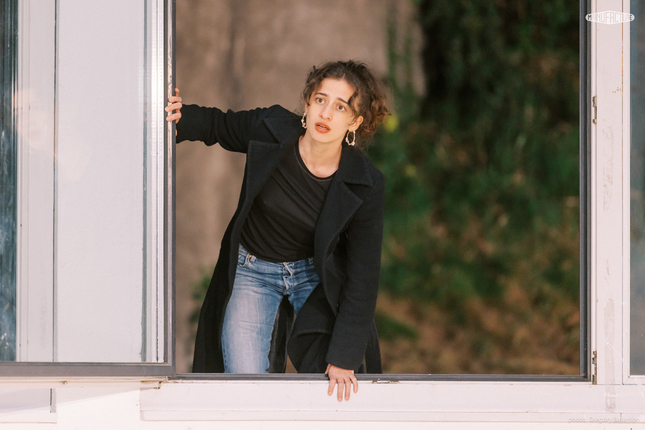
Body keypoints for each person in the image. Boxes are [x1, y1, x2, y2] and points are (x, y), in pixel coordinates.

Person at [165, 60, 388, 401]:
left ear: (355, 122)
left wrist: (344, 356)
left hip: (314, 277)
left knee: (335, 382)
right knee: (245, 384)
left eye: (341, 107)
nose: (326, 113)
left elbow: (363, 277)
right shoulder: (271, 128)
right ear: (308, 103)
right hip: (252, 271)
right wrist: (178, 115)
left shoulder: (365, 182)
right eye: (320, 99)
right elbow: (217, 125)